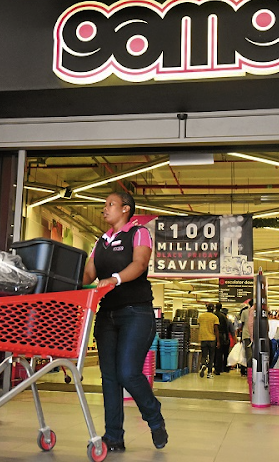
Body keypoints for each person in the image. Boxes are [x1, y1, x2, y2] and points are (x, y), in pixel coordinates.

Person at [82, 191, 167, 452]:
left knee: (128, 372)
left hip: (136, 313)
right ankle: (114, 436)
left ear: (126, 209)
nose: (104, 209)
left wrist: (115, 279)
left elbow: (140, 264)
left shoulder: (138, 233)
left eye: (110, 205)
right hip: (106, 315)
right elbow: (88, 273)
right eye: (105, 205)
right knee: (109, 377)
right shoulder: (101, 242)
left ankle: (154, 417)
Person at [198, 303, 220, 378]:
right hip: (211, 339)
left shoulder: (201, 316)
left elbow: (199, 326)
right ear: (213, 308)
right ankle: (209, 373)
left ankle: (203, 364)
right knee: (211, 356)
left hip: (203, 338)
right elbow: (216, 330)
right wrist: (218, 341)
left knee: (204, 354)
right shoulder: (215, 317)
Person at [215, 303, 232, 374]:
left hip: (214, 335)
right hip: (222, 335)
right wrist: (227, 338)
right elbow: (226, 328)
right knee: (224, 353)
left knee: (217, 353)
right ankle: (224, 368)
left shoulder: (213, 315)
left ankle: (217, 368)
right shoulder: (223, 317)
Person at [240, 298, 254, 370]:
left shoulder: (244, 312)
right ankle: (252, 369)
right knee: (254, 353)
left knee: (248, 353)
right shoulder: (257, 312)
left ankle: (249, 369)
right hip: (255, 335)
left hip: (246, 334)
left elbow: (242, 324)